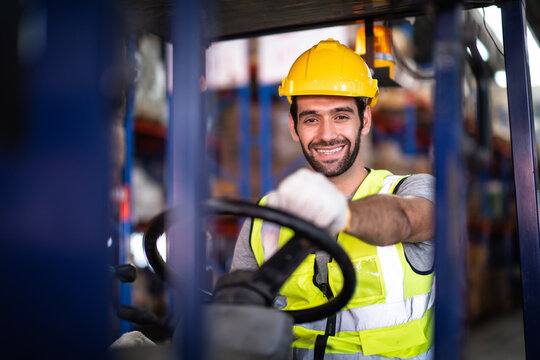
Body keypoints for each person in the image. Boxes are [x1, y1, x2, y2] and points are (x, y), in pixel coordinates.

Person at [230, 38, 435, 360]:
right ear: (294, 127)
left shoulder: (411, 190)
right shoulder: (267, 215)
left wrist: (340, 213)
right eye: (311, 119)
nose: (326, 134)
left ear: (364, 121)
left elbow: (405, 219)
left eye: (341, 116)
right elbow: (240, 316)